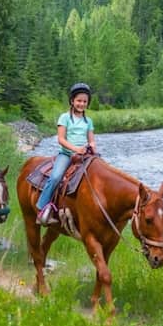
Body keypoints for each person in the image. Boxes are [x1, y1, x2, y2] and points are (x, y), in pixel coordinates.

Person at [36, 82, 97, 225]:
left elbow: (92, 140)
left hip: (84, 155)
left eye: (84, 101)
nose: (82, 104)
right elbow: (61, 139)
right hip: (67, 154)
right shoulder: (65, 117)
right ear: (72, 101)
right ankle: (42, 209)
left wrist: (93, 148)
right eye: (79, 101)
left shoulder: (88, 121)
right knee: (56, 177)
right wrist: (76, 149)